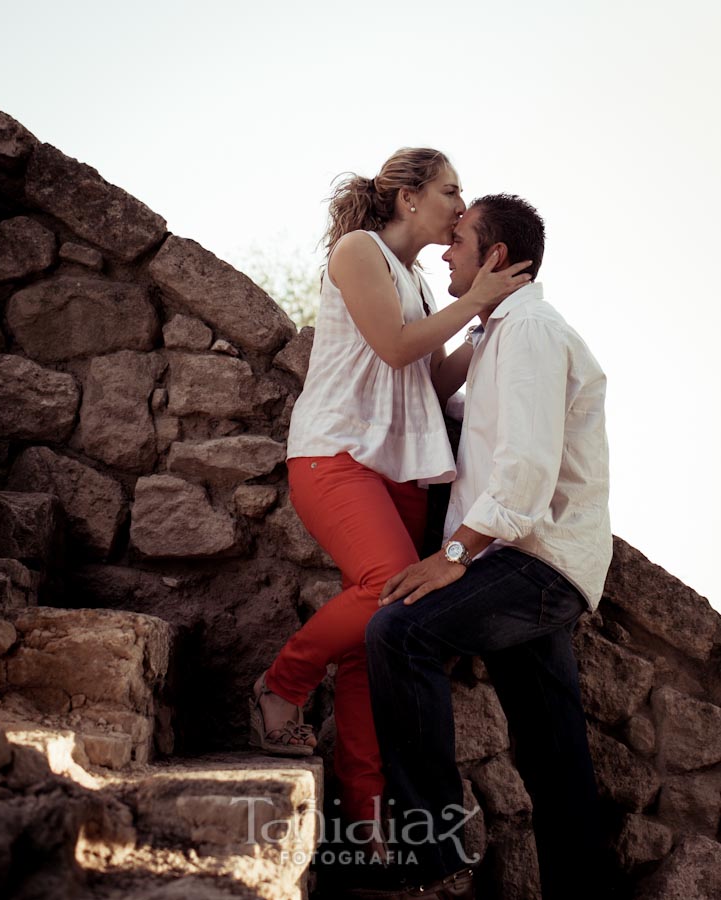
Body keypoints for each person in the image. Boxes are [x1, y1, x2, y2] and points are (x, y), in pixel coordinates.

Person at [249, 151, 532, 841]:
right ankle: (278, 687)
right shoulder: (357, 251)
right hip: (335, 454)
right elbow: (395, 348)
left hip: (400, 469)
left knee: (376, 632)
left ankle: (365, 812)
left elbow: (426, 385)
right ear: (408, 198)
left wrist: (487, 323)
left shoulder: (418, 283)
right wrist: (473, 303)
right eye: (449, 190)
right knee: (385, 585)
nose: (459, 205)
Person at [365, 194, 612, 900]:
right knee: (553, 751)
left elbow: (525, 471)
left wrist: (450, 559)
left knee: (397, 630)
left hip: (531, 562)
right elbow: (457, 418)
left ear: (495, 258)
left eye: (461, 241)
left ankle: (429, 850)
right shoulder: (501, 334)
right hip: (535, 560)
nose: (446, 250)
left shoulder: (529, 330)